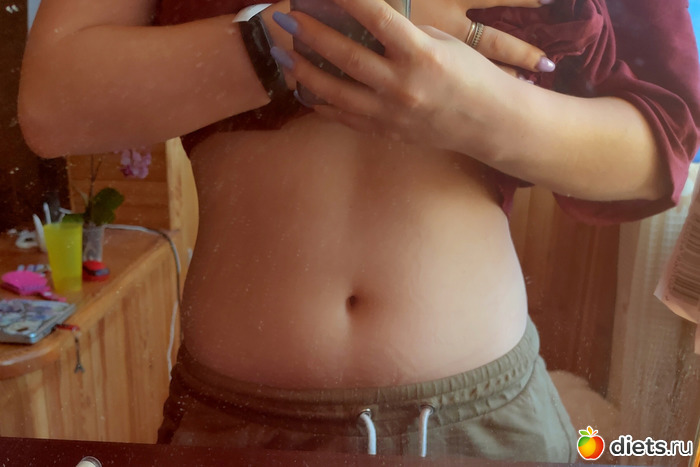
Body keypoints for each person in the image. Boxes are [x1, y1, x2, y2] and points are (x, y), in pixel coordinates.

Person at [18, 0, 700, 462]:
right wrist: (296, 37)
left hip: (487, 426)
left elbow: (663, 147)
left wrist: (480, 111)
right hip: (237, 427)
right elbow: (54, 105)